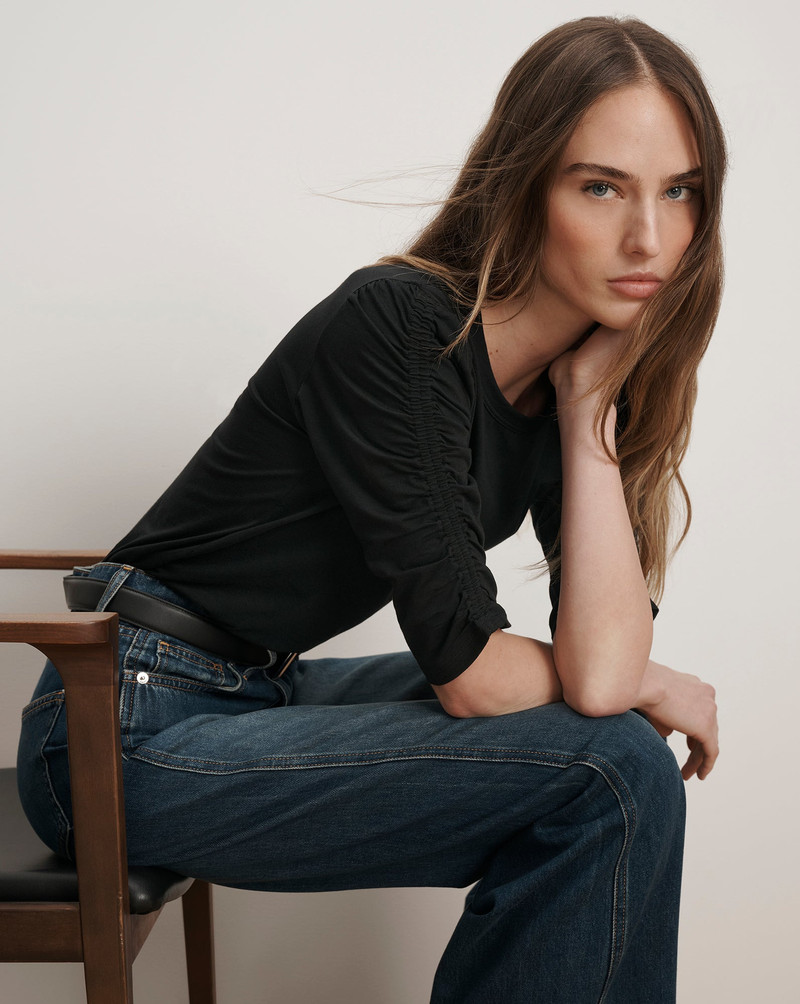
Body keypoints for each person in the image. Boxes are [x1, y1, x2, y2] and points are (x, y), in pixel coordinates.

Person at [17, 15, 723, 1003]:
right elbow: (474, 675)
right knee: (609, 767)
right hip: (122, 728)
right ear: (524, 184)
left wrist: (588, 409)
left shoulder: (571, 388)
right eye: (600, 186)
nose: (647, 236)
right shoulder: (402, 326)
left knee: (617, 750)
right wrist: (651, 681)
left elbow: (599, 675)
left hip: (254, 690)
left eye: (678, 190)